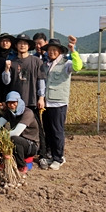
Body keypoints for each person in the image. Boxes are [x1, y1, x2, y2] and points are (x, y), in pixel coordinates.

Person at [2, 33, 49, 169]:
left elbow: (41, 81)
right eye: (20, 43)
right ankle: (20, 156)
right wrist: (6, 69)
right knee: (16, 129)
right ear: (16, 45)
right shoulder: (12, 62)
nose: (22, 45)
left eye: (25, 43)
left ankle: (42, 155)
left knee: (38, 130)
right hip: (15, 104)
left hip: (31, 100)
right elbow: (6, 81)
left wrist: (41, 97)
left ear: (29, 46)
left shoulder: (36, 62)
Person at [42, 37, 82, 170]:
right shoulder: (46, 64)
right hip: (47, 103)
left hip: (58, 103)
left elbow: (78, 67)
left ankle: (59, 158)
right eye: (50, 50)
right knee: (48, 131)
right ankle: (51, 155)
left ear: (60, 51)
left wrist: (73, 51)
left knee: (57, 131)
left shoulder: (66, 63)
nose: (52, 52)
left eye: (55, 50)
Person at [0, 91, 40, 174]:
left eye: (14, 103)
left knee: (14, 139)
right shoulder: (10, 112)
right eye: (9, 103)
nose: (12, 105)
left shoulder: (27, 113)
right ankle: (3, 163)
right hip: (18, 143)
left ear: (19, 102)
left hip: (31, 144)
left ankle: (22, 165)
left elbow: (16, 133)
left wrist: (1, 136)